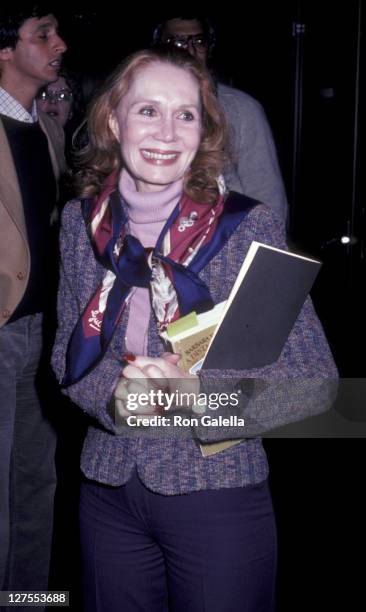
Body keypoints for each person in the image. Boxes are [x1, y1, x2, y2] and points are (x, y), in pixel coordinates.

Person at [52, 46, 337, 612]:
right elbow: (67, 354)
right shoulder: (80, 223)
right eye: (147, 110)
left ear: (203, 129)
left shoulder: (247, 226)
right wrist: (116, 401)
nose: (167, 131)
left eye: (186, 114)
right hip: (108, 489)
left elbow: (315, 382)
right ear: (113, 120)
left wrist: (199, 402)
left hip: (218, 490)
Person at [0, 3, 66, 600]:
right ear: (3, 48)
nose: (59, 44)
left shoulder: (43, 121)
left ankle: (28, 597)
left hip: (41, 331)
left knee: (33, 485)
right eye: (43, 35)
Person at [153, 15, 289, 225]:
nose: (188, 50)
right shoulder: (136, 109)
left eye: (198, 42)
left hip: (225, 243)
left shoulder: (242, 110)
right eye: (177, 41)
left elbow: (270, 200)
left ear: (209, 49)